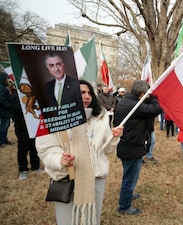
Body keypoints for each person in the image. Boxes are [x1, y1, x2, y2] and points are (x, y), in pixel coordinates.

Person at [36, 79, 123, 225]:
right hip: (68, 178)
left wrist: (114, 138)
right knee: (67, 221)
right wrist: (59, 160)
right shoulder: (53, 118)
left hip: (95, 178)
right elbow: (45, 149)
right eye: (82, 92)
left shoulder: (100, 119)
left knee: (92, 219)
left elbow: (107, 151)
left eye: (89, 92)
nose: (87, 96)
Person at [113, 80, 162, 215]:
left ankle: (128, 195)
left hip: (126, 144)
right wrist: (153, 97)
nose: (148, 96)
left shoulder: (125, 101)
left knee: (128, 174)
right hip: (132, 147)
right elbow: (155, 109)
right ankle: (124, 206)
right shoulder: (135, 106)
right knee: (130, 178)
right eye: (146, 94)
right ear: (141, 94)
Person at [10, 86, 42, 179]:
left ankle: (35, 167)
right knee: (23, 149)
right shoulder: (15, 97)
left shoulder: (33, 95)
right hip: (22, 128)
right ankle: (23, 170)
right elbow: (15, 110)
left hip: (33, 127)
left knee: (34, 148)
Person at [43, 52, 85, 122]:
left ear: (63, 64)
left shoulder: (76, 84)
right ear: (48, 68)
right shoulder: (48, 86)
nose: (56, 69)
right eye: (51, 65)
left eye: (58, 64)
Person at [0, 72, 12, 146]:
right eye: (7, 78)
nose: (8, 80)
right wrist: (8, 106)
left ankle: (4, 140)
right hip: (3, 111)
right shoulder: (1, 88)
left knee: (5, 125)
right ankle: (2, 141)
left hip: (4, 111)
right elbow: (1, 99)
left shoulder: (3, 87)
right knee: (4, 126)